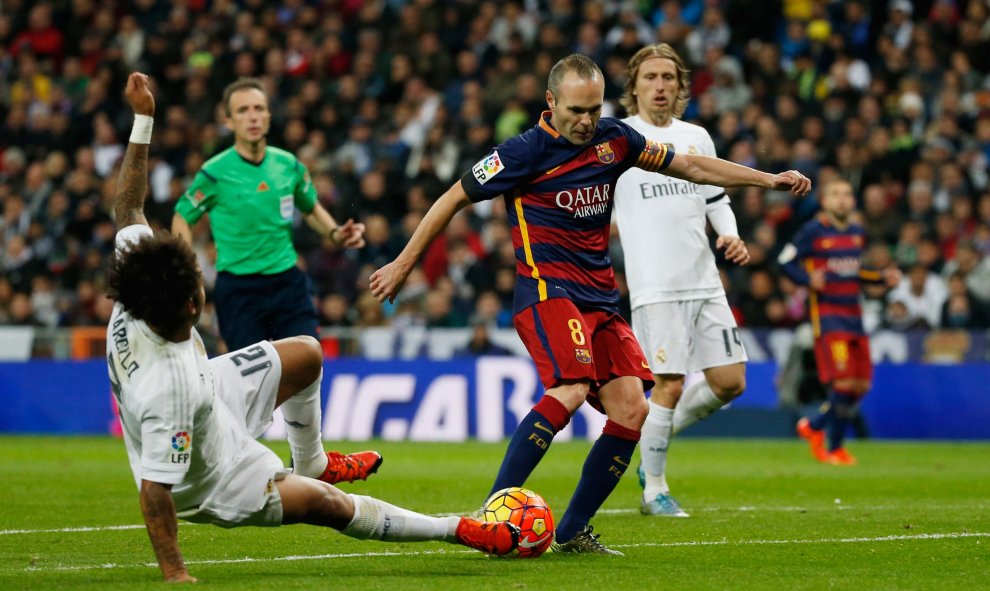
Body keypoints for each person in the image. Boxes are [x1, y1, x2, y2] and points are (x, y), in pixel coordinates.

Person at [370, 54, 811, 554]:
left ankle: (573, 528)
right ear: (551, 101)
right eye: (576, 110)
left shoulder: (615, 139)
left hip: (601, 298)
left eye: (594, 110)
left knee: (631, 408)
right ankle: (493, 513)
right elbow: (451, 198)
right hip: (546, 291)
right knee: (573, 387)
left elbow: (689, 164)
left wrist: (766, 179)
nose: (586, 122)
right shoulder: (521, 152)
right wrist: (404, 264)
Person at [109, 73, 518, 583]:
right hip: (213, 474)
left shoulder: (137, 289)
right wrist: (175, 573)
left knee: (307, 353)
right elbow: (155, 491)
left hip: (213, 383)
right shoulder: (167, 389)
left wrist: (143, 117)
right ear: (195, 306)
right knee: (332, 506)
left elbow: (128, 205)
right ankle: (456, 528)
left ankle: (313, 460)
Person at [613, 44, 749, 518]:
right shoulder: (619, 137)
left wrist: (730, 236)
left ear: (680, 85)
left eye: (668, 77)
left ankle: (654, 436)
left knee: (730, 383)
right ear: (634, 86)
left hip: (704, 280)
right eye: (650, 77)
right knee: (668, 383)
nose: (660, 86)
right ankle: (655, 489)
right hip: (655, 285)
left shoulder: (697, 137)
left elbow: (716, 199)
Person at [171, 77, 366, 352]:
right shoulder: (214, 172)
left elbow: (309, 207)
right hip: (239, 290)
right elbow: (182, 216)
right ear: (229, 121)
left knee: (308, 360)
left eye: (258, 108)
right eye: (243, 110)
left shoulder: (288, 165)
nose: (252, 116)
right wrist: (189, 268)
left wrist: (335, 233)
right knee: (254, 382)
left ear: (268, 116)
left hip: (287, 280)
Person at [779, 179, 900, 465]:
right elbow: (784, 261)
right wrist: (807, 279)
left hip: (855, 317)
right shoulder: (813, 231)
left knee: (860, 386)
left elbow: (856, 272)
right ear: (825, 201)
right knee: (843, 384)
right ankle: (835, 447)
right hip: (829, 319)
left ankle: (814, 426)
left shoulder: (858, 233)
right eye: (836, 194)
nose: (842, 200)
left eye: (847, 194)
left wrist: (883, 278)